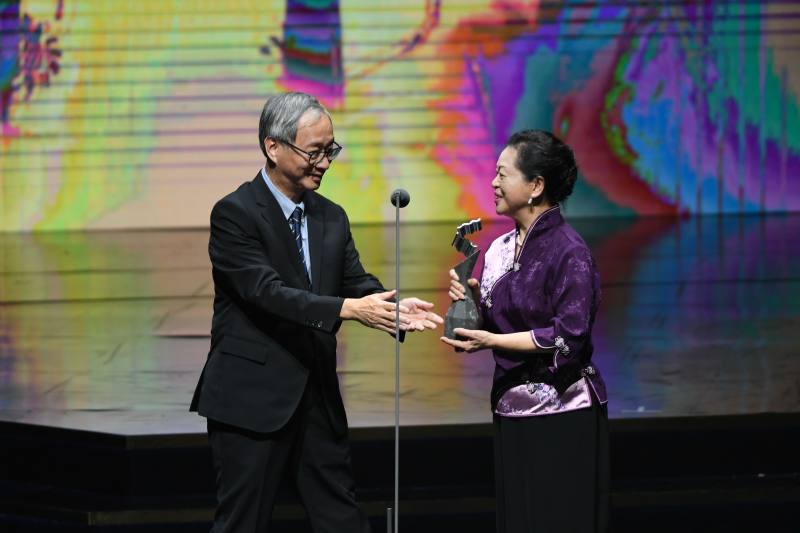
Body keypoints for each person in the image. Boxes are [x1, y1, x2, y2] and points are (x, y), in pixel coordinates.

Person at [191, 91, 442, 533]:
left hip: (316, 397)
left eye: (331, 150)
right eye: (314, 152)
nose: (325, 162)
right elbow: (268, 293)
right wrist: (349, 309)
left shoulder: (331, 217)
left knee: (341, 519)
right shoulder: (235, 214)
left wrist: (390, 306)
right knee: (241, 523)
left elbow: (354, 281)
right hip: (251, 400)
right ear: (273, 146)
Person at [441, 129, 609, 533]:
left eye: (503, 174)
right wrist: (473, 310)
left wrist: (493, 340)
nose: (493, 183)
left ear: (535, 186)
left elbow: (568, 336)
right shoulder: (499, 248)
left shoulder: (570, 252)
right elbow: (498, 324)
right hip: (511, 407)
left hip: (563, 413)